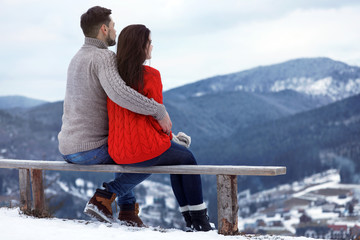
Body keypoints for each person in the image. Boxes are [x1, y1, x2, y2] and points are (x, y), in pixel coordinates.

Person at [58, 6, 172, 226]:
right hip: (90, 149)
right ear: (103, 29)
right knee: (142, 153)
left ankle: (128, 211)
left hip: (67, 148)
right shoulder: (104, 57)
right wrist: (159, 110)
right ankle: (109, 200)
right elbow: (121, 94)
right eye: (113, 27)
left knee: (130, 150)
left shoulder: (76, 58)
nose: (115, 32)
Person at [106, 24, 212, 231]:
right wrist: (171, 138)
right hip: (143, 147)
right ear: (141, 47)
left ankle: (195, 221)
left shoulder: (112, 78)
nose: (152, 47)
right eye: (149, 42)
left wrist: (171, 140)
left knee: (179, 156)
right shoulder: (150, 75)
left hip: (117, 150)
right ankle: (198, 221)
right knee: (187, 158)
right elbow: (156, 118)